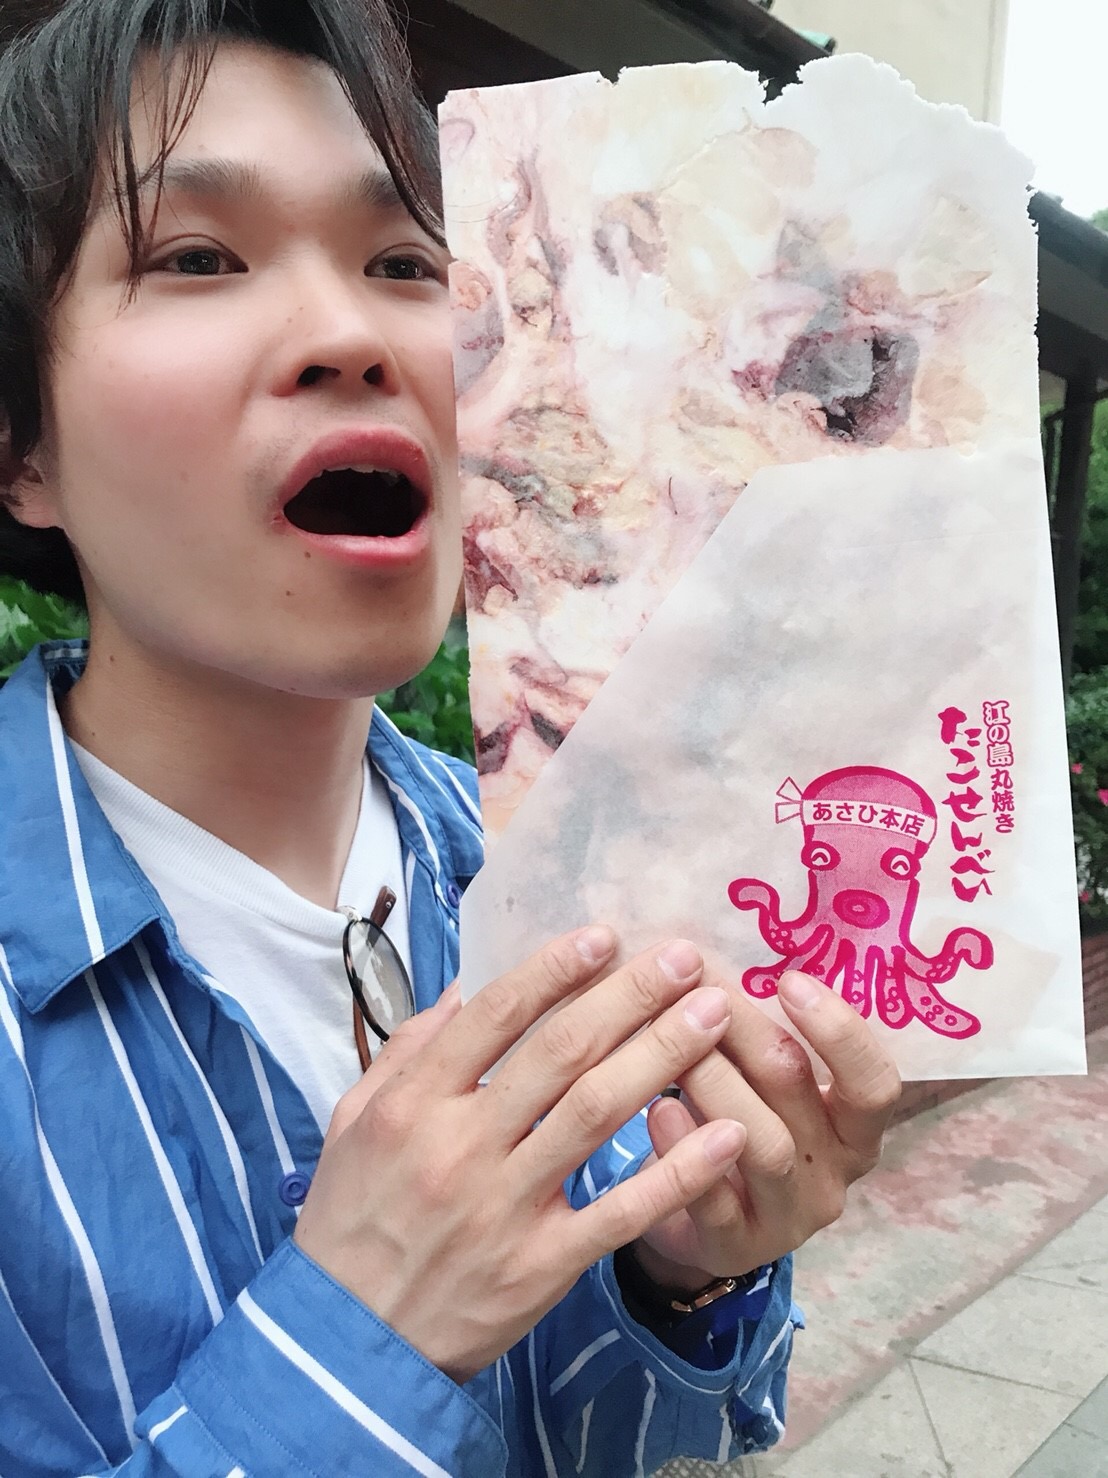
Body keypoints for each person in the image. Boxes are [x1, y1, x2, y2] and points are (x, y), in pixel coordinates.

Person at [0, 2, 901, 1473]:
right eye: (198, 258)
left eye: (407, 265)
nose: (353, 334)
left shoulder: (563, 862)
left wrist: (681, 1279)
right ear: (20, 447)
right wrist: (358, 1336)